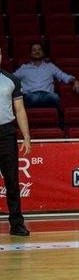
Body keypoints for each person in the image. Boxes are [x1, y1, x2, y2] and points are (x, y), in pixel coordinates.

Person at [1, 47, 31, 236]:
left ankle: (17, 224)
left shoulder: (11, 79)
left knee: (12, 181)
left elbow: (19, 110)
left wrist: (26, 136)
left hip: (6, 133)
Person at [14, 42, 79, 108]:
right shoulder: (24, 68)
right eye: (34, 50)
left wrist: (75, 81)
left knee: (55, 97)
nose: (37, 52)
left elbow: (64, 76)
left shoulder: (50, 67)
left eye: (39, 50)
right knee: (33, 98)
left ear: (43, 53)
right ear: (30, 53)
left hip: (48, 95)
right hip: (31, 96)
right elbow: (11, 78)